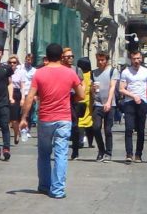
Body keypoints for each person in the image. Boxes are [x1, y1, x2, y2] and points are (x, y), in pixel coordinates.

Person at [20, 43, 83, 199]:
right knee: (61, 154)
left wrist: (23, 118)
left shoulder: (39, 73)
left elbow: (29, 97)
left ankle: (44, 185)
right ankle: (58, 190)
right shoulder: (70, 73)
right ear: (61, 56)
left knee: (44, 153)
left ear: (47, 57)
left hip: (46, 118)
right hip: (64, 118)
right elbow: (81, 95)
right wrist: (69, 97)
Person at [118, 50, 147, 163]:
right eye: (134, 59)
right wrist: (133, 95)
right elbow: (121, 89)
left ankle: (138, 154)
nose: (136, 61)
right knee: (129, 129)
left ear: (141, 59)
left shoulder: (146, 72)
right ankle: (129, 154)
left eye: (138, 58)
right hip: (129, 103)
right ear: (131, 59)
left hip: (142, 103)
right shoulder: (126, 72)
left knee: (141, 130)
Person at [90, 51, 119, 162]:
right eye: (98, 60)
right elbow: (93, 89)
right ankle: (101, 150)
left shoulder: (112, 71)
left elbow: (112, 87)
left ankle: (108, 152)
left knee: (107, 129)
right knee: (96, 128)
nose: (100, 62)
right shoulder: (94, 73)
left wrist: (108, 102)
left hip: (110, 104)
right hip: (97, 104)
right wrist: (92, 90)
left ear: (106, 60)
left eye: (102, 60)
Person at [61, 48, 85, 158]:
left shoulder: (76, 70)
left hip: (73, 99)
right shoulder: (59, 69)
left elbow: (82, 84)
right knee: (61, 125)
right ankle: (62, 149)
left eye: (72, 56)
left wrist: (79, 96)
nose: (70, 58)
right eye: (68, 56)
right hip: (61, 99)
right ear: (62, 57)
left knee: (74, 125)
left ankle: (75, 150)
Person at [75, 57, 94, 155]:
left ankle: (80, 141)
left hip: (80, 100)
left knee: (80, 122)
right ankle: (90, 142)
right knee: (89, 122)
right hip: (89, 101)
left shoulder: (78, 75)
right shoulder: (91, 75)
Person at [8, 55, 23, 142]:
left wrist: (23, 99)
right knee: (6, 118)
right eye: (10, 62)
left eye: (14, 62)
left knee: (14, 118)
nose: (12, 64)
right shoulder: (5, 72)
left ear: (17, 63)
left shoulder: (20, 73)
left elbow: (22, 86)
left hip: (16, 94)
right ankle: (6, 136)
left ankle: (16, 133)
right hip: (6, 94)